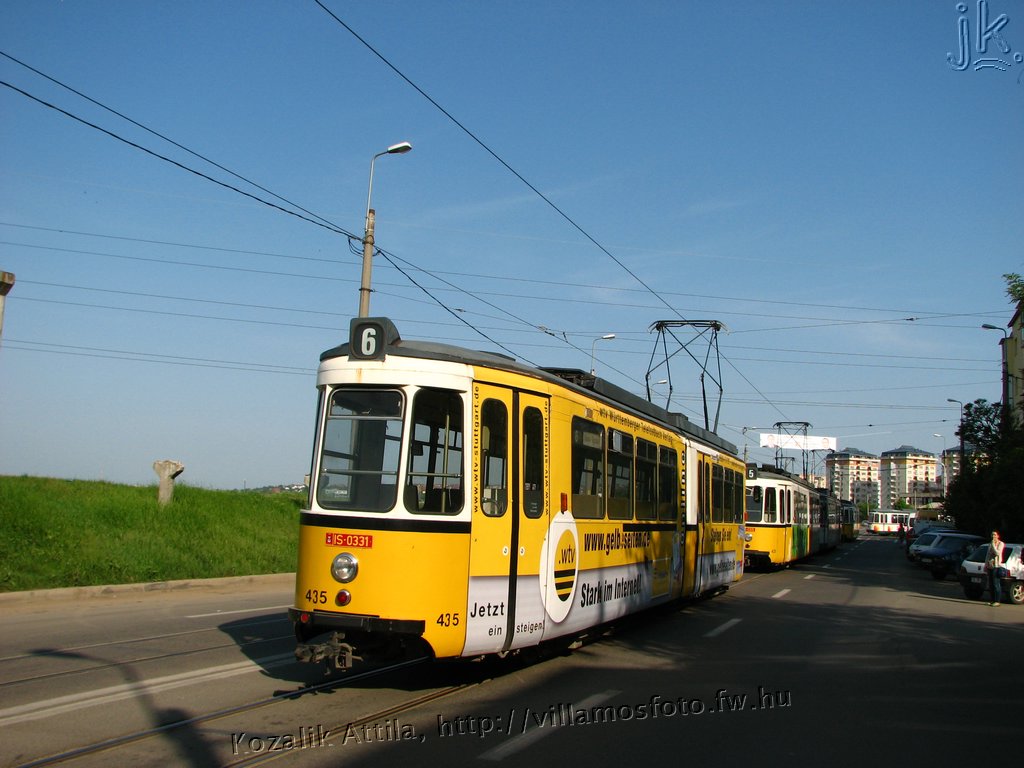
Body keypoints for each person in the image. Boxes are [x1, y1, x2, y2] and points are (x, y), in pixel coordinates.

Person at [986, 530, 1005, 606]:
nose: (993, 536)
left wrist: (993, 544)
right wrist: (986, 564)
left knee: (996, 584)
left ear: (998, 536)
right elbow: (988, 554)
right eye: (992, 535)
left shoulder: (1001, 544)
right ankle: (992, 600)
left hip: (996, 566)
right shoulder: (990, 543)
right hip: (990, 566)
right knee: (991, 584)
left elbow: (997, 553)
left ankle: (997, 601)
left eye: (994, 535)